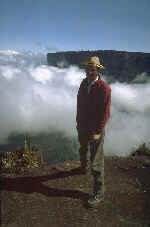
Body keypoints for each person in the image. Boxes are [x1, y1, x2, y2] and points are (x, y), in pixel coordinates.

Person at [76, 56, 111, 206]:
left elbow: (106, 112)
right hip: (83, 125)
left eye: (93, 69)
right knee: (83, 148)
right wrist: (78, 121)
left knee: (96, 161)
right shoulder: (84, 83)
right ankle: (83, 168)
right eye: (88, 69)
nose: (90, 71)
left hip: (96, 128)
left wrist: (99, 130)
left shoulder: (104, 88)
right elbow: (79, 103)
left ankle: (99, 193)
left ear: (98, 70)